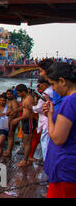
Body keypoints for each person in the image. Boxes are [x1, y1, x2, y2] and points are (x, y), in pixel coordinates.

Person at [42, 62, 76, 198]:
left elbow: (58, 138)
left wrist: (50, 116)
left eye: (53, 84)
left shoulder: (69, 101)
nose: (53, 89)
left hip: (65, 169)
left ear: (62, 81)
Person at [10, 84, 36, 167]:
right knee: (25, 141)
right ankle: (26, 158)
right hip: (25, 121)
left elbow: (27, 115)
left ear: (23, 92)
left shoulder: (28, 99)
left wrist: (16, 119)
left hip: (29, 121)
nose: (18, 94)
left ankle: (25, 160)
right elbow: (23, 108)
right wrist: (15, 110)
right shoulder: (25, 98)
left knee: (27, 141)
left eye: (18, 93)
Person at [33, 77, 53, 163]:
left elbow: (39, 108)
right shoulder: (51, 91)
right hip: (48, 120)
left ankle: (46, 161)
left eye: (40, 84)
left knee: (45, 142)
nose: (39, 86)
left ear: (44, 84)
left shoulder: (46, 93)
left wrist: (31, 107)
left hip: (46, 121)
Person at [4, 89, 20, 158]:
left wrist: (10, 121)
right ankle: (7, 150)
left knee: (11, 136)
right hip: (6, 121)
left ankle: (9, 151)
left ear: (13, 95)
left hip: (11, 121)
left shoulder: (14, 102)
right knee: (8, 136)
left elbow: (15, 112)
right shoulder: (6, 101)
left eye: (10, 94)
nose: (9, 95)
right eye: (8, 94)